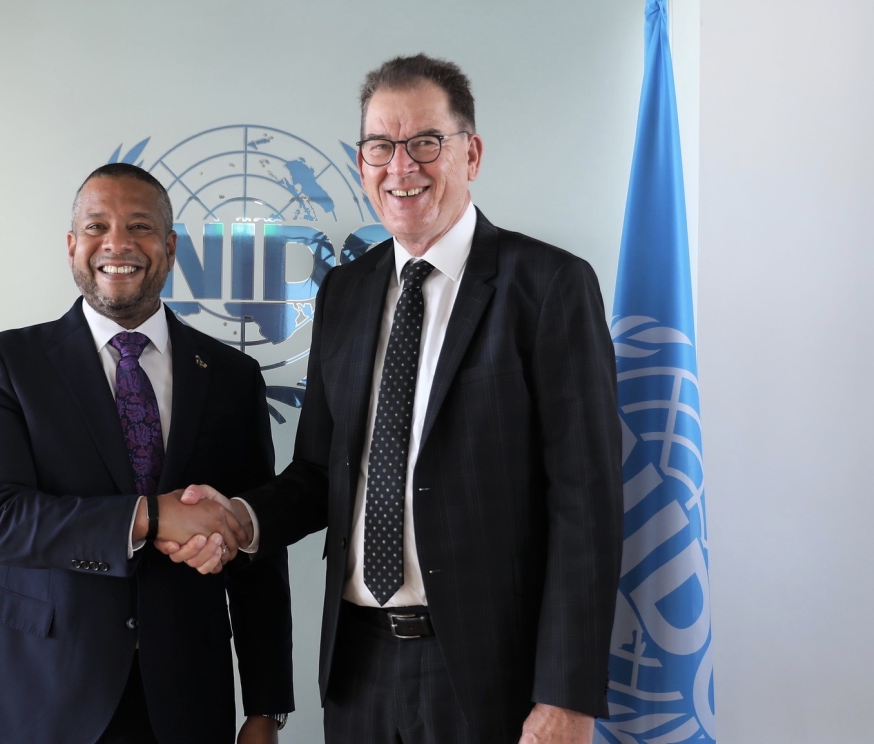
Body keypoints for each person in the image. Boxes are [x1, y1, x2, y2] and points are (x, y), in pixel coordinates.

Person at [162, 54, 623, 743]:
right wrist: (241, 520)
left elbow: (586, 503)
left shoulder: (549, 287)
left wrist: (566, 695)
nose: (400, 166)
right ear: (360, 161)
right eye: (380, 145)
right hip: (359, 668)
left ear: (471, 152)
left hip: (492, 672)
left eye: (425, 143)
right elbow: (320, 472)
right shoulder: (346, 292)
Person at [0, 163, 293, 744]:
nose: (118, 244)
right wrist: (150, 516)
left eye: (140, 227)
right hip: (43, 692)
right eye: (97, 226)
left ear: (171, 247)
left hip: (187, 696)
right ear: (72, 245)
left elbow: (256, 544)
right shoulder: (7, 364)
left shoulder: (232, 376)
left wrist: (265, 705)